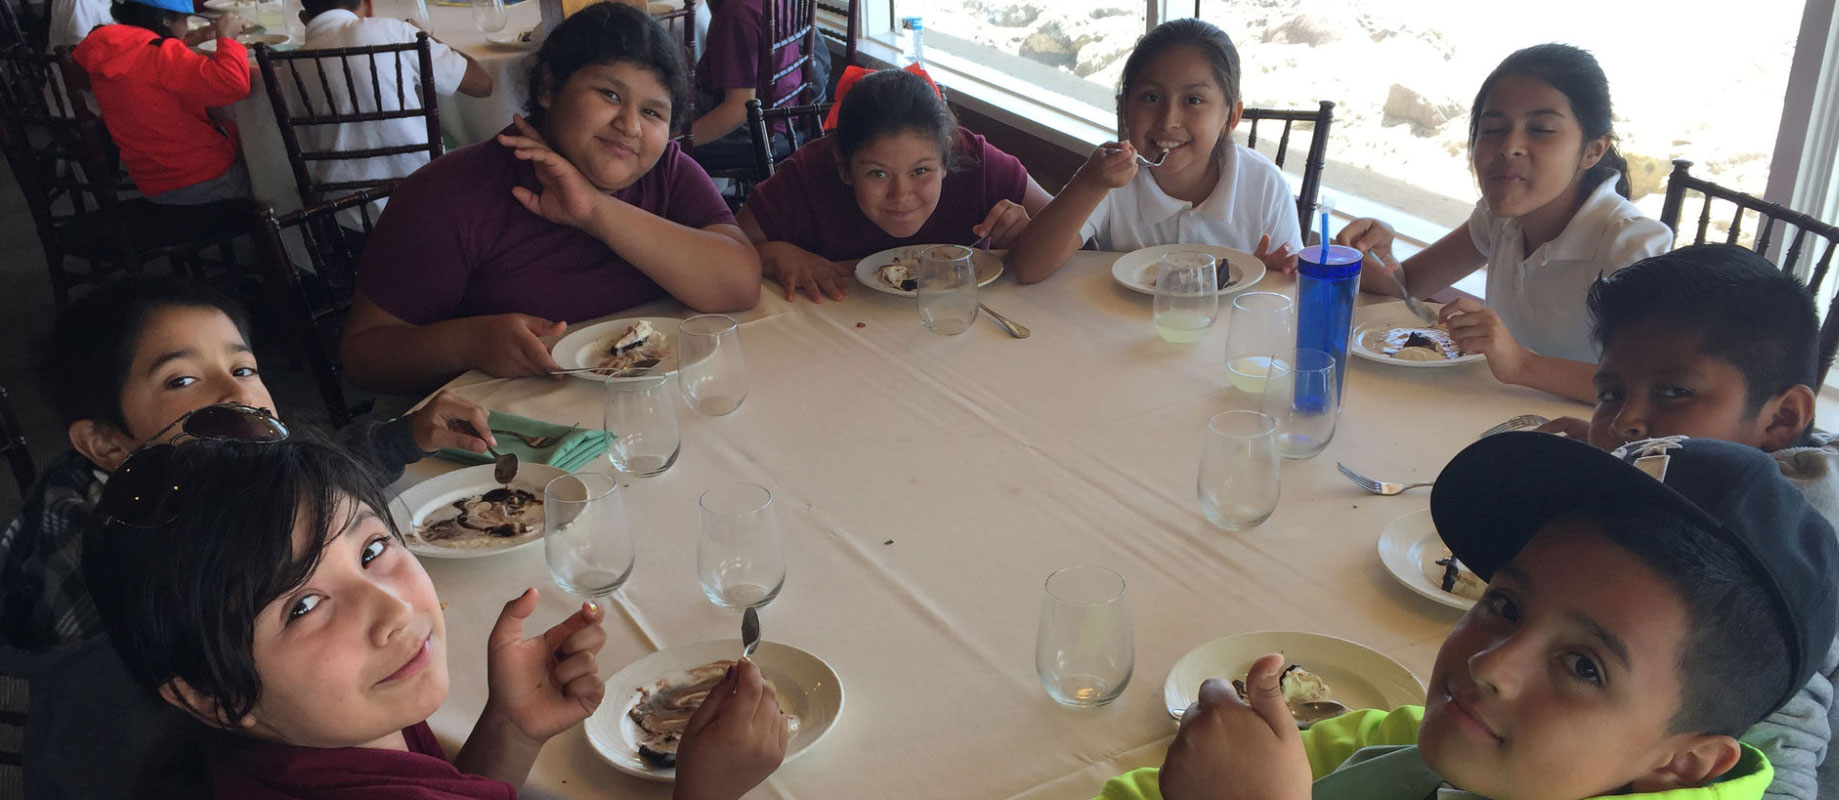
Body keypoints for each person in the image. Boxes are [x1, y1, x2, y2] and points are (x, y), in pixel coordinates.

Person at [1096, 432, 1839, 800]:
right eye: (1506, 604)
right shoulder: (1465, 749)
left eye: (1583, 666)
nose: (1490, 665)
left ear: (1679, 764)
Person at [81, 433, 789, 798]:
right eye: (302, 605)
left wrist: (508, 729)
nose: (390, 609)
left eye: (372, 549)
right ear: (206, 694)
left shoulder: (300, 746)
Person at [0, 276, 494, 796]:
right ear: (104, 442)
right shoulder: (113, 577)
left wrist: (401, 437)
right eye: (181, 381)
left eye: (243, 368)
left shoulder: (153, 487)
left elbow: (293, 501)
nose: (238, 393)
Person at [1535, 245, 1837, 800]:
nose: (1626, 421)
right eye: (1611, 394)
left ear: (1783, 419)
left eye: (1675, 392)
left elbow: (1788, 744)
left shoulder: (1776, 554)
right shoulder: (1674, 468)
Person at [342, 1, 759, 394]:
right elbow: (364, 356)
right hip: (512, 440)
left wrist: (594, 211)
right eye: (609, 95)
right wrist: (468, 342)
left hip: (652, 407)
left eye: (653, 112)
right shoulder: (452, 194)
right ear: (548, 87)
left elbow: (740, 283)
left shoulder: (665, 171)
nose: (630, 125)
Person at [1335, 43, 1671, 402]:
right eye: (1493, 128)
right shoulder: (1499, 220)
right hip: (1496, 414)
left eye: (1541, 129)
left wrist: (1520, 363)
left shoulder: (1630, 242)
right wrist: (1375, 254)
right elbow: (1409, 286)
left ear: (1593, 150)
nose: (1509, 146)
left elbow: (1650, 390)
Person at [1007, 18, 1303, 285]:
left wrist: (1277, 276)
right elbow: (1029, 267)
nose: (1168, 120)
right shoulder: (1109, 183)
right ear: (1124, 109)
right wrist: (1089, 183)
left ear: (1231, 117)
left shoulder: (1265, 186)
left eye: (1193, 100)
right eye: (1151, 97)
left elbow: (1294, 282)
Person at [737, 67, 1051, 302]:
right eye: (877, 174)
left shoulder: (976, 162)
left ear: (946, 158)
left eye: (921, 171)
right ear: (844, 168)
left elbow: (1070, 228)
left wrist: (1031, 230)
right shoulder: (807, 177)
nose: (901, 195)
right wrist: (775, 253)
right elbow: (730, 248)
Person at [293, 0, 494, 219]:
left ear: (303, 18)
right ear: (367, 5)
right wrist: (423, 37)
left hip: (346, 217)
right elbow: (483, 85)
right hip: (429, 202)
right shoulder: (392, 31)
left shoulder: (289, 66)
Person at [71, 0, 254, 205]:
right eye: (184, 19)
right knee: (261, 166)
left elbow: (147, 59)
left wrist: (195, 37)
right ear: (166, 19)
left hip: (153, 182)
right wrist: (227, 39)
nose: (186, 25)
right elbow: (233, 84)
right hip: (203, 178)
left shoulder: (109, 46)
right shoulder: (163, 55)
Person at [686, 0, 827, 176]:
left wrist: (677, 140)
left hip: (756, 130)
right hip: (786, 115)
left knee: (656, 132)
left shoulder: (735, 13)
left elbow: (738, 109)